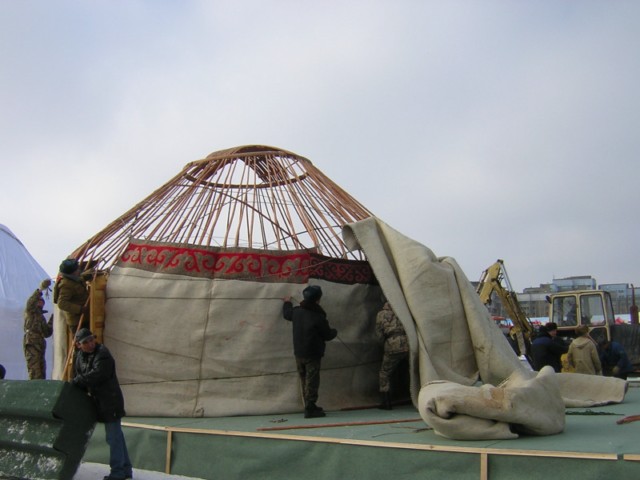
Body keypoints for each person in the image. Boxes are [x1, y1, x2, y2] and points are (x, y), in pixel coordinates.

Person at [71, 328, 133, 480]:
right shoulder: (79, 356)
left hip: (110, 401)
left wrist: (78, 382)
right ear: (79, 345)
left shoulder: (103, 354)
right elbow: (78, 374)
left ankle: (118, 472)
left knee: (113, 437)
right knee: (116, 436)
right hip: (99, 401)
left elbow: (98, 374)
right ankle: (125, 469)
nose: (91, 344)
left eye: (91, 340)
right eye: (86, 342)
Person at [283, 285, 337, 419]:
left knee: (304, 379)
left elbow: (287, 314)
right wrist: (335, 332)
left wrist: (287, 302)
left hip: (299, 352)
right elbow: (327, 335)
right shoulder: (318, 316)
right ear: (318, 299)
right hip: (312, 354)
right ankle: (310, 408)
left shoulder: (297, 312)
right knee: (312, 380)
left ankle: (309, 404)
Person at [375, 300, 408, 410]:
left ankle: (386, 401)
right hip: (407, 343)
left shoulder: (381, 314)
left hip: (392, 344)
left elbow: (379, 334)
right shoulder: (403, 311)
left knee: (385, 373)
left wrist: (382, 346)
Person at [23, 279, 54, 379]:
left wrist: (53, 319)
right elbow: (31, 302)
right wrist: (40, 290)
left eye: (42, 301)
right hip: (32, 342)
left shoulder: (41, 317)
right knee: (34, 370)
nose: (41, 303)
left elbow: (47, 333)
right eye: (39, 301)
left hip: (40, 343)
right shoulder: (31, 311)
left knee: (41, 371)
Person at [55, 258, 90, 334]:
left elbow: (79, 280)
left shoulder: (74, 279)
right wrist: (80, 309)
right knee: (82, 344)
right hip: (77, 321)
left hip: (85, 318)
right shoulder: (65, 285)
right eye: (76, 269)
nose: (78, 270)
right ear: (71, 273)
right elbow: (61, 303)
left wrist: (86, 276)